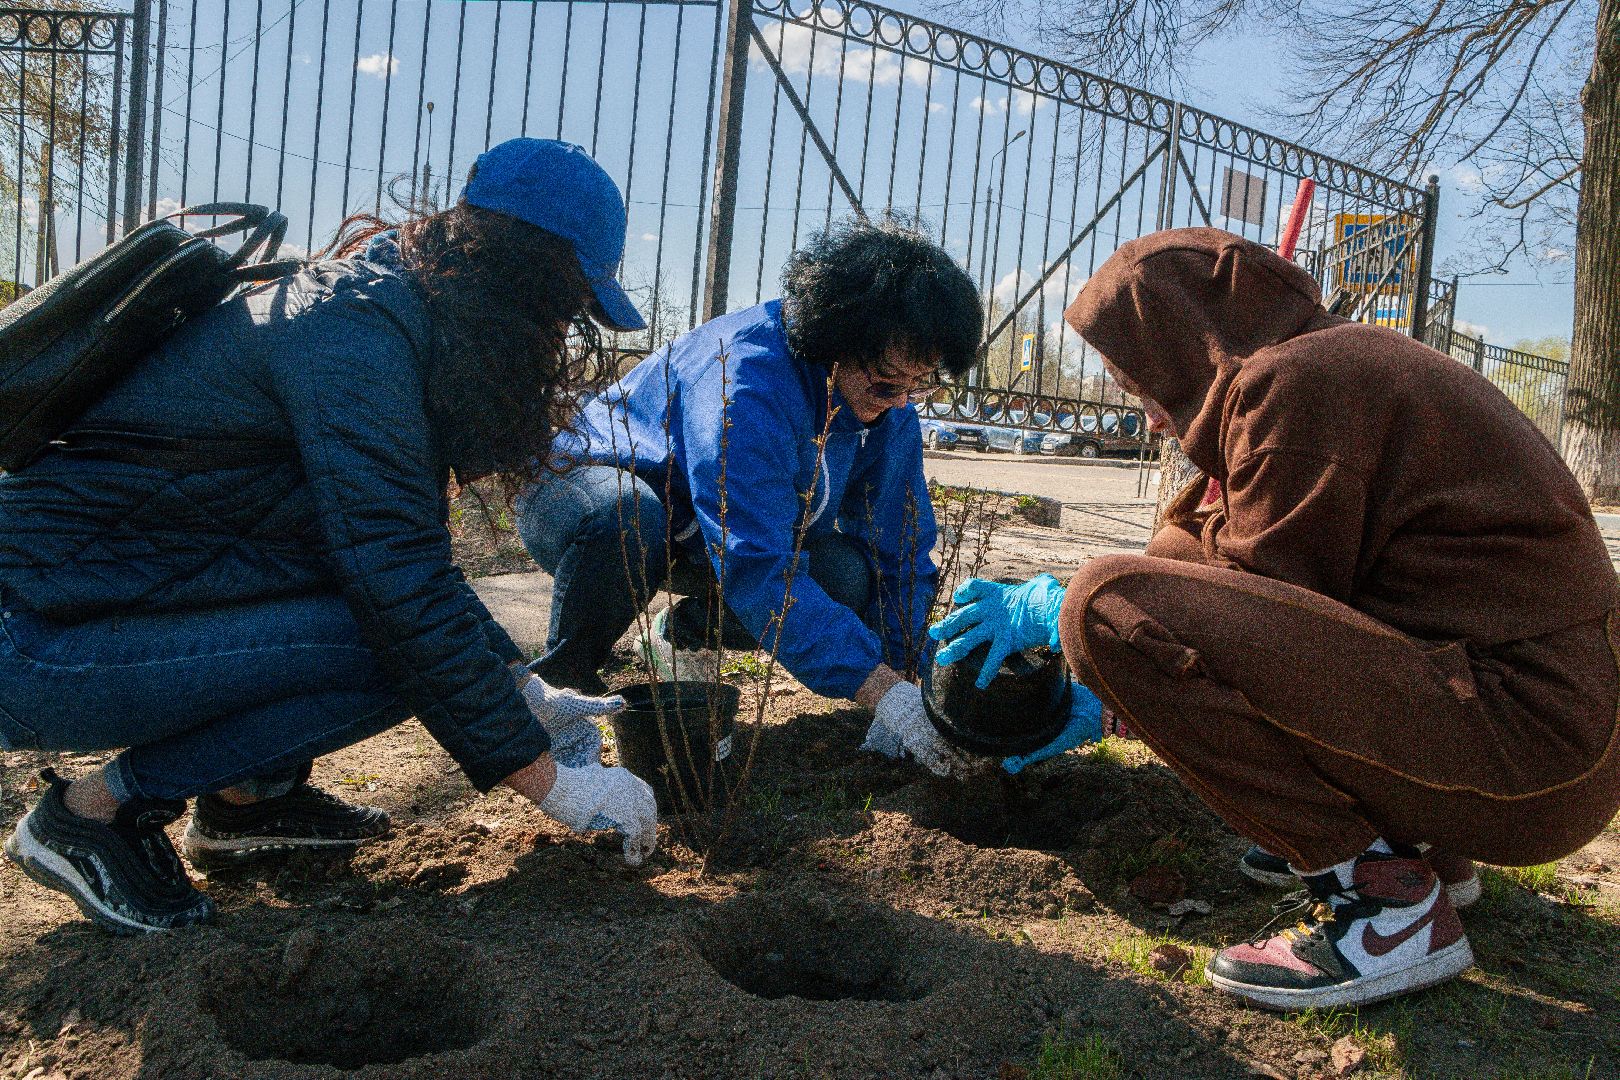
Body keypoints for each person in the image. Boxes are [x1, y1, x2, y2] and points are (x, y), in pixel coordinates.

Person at [930, 227, 1620, 1010]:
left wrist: (1084, 637)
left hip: (1527, 757)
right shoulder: (1335, 366)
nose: (1153, 418)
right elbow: (1211, 561)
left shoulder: (1296, 387)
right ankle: (1421, 848)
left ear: (1188, 347)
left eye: (1139, 384)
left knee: (1106, 604)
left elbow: (1248, 620)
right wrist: (1116, 675)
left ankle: (1384, 903)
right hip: (1542, 740)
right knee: (1176, 538)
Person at [0, 139, 660, 935]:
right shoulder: (357, 332)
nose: (561, 329)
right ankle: (89, 816)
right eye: (566, 302)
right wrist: (551, 783)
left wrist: (522, 686)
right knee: (391, 652)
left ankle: (250, 805)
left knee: (384, 623)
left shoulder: (396, 302)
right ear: (521, 269)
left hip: (89, 604)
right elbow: (397, 583)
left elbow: (391, 551)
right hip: (31, 640)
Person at [515, 217, 981, 776]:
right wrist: (879, 690)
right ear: (835, 343)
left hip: (703, 533)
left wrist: (907, 673)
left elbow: (898, 547)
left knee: (849, 575)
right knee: (629, 517)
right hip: (583, 494)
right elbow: (756, 562)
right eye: (888, 383)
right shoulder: (746, 383)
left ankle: (686, 632)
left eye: (919, 386)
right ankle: (559, 696)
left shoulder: (889, 406)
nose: (902, 402)